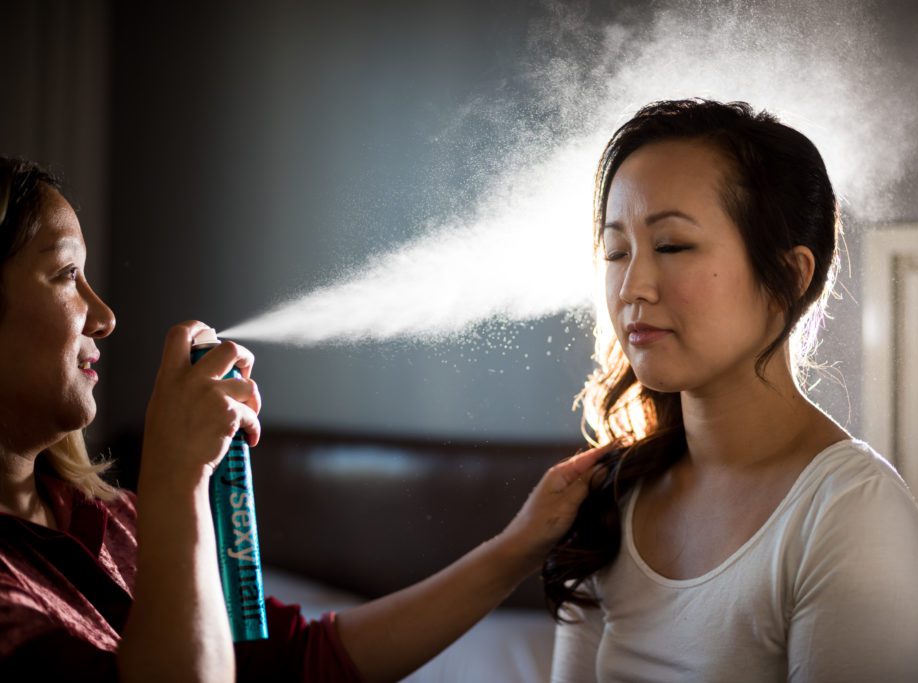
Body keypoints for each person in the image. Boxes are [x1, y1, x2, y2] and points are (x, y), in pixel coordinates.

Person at [0, 155, 610, 683]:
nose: (102, 316)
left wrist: (520, 547)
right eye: (66, 274)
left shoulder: (111, 522)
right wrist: (175, 479)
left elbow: (300, 662)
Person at [543, 100, 918, 682]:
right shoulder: (613, 498)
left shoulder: (850, 517)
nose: (632, 286)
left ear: (789, 276)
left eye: (672, 246)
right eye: (616, 251)